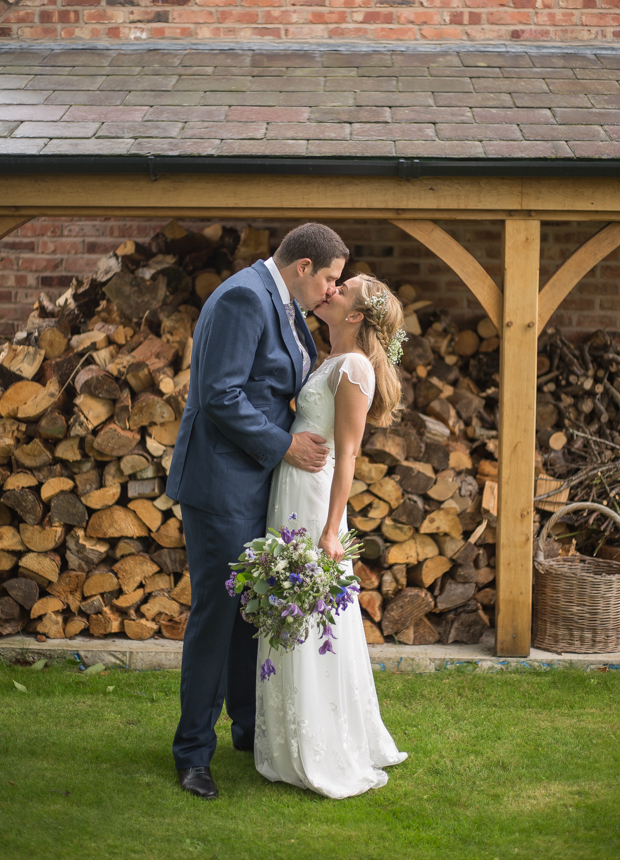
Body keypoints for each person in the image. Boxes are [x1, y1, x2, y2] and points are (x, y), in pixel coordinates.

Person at [166, 222, 349, 800]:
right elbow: (219, 393)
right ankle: (193, 753)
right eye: (329, 278)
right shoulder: (246, 296)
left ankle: (248, 729)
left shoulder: (288, 304)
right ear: (302, 268)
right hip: (222, 484)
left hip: (258, 483)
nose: (330, 290)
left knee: (253, 612)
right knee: (217, 617)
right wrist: (285, 446)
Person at [255, 273, 408, 799]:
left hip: (315, 501)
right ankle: (287, 738)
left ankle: (321, 743)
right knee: (290, 607)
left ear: (356, 316)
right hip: (291, 491)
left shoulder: (355, 367)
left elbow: (350, 455)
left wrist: (330, 530)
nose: (333, 288)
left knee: (313, 613)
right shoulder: (326, 358)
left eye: (344, 289)